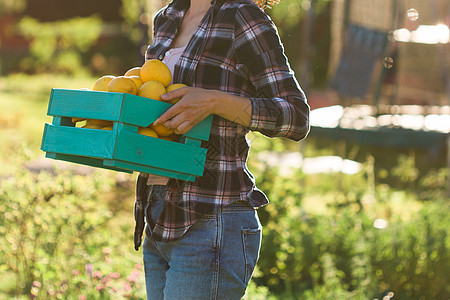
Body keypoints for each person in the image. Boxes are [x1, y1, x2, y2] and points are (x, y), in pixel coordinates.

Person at [134, 0, 310, 299]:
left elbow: (295, 117)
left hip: (211, 221)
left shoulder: (242, 17)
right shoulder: (168, 16)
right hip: (159, 213)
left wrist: (215, 101)